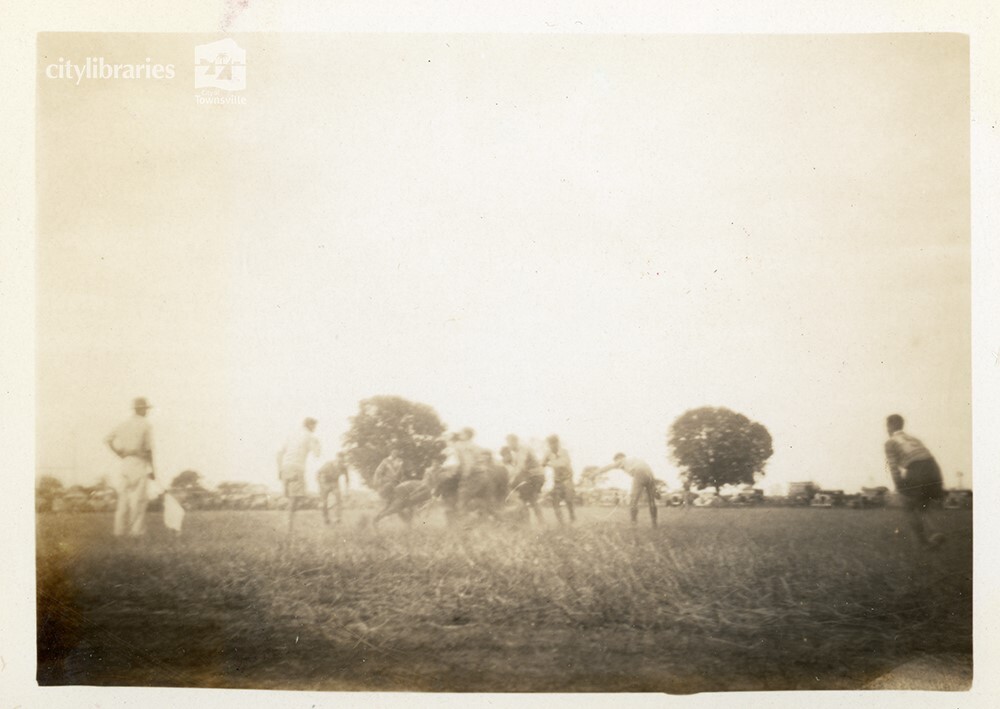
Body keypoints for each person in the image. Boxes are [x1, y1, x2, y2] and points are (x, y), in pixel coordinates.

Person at [884, 414, 946, 548]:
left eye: (887, 426)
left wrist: (899, 484)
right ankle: (936, 532)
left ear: (891, 426)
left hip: (917, 469)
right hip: (933, 467)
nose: (886, 429)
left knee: (908, 506)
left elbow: (893, 466)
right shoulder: (913, 439)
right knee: (923, 506)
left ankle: (924, 543)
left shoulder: (890, 442)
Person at [104, 397, 156, 538]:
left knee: (123, 499)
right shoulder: (146, 425)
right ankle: (136, 533)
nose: (147, 411)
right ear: (141, 409)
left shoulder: (123, 424)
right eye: (145, 408)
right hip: (139, 463)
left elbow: (107, 440)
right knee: (138, 500)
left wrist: (119, 453)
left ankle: (119, 532)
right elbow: (149, 450)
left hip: (125, 463)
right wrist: (153, 470)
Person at [277, 417, 321, 535]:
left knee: (291, 498)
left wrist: (280, 470)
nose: (315, 429)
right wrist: (318, 444)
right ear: (310, 425)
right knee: (294, 500)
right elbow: (317, 454)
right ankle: (288, 529)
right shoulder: (310, 437)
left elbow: (279, 453)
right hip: (297, 468)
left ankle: (287, 525)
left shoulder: (292, 435)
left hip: (285, 467)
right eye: (314, 426)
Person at [596, 453, 659, 527]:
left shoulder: (622, 460)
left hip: (639, 472)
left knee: (633, 501)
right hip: (650, 473)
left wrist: (594, 473)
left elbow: (608, 467)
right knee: (652, 501)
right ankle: (654, 523)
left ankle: (633, 524)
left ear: (619, 458)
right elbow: (648, 469)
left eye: (615, 460)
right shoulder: (635, 459)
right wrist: (655, 488)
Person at [506, 434, 546, 524]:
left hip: (534, 476)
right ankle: (537, 523)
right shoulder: (516, 453)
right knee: (529, 500)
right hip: (530, 477)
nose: (509, 446)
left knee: (529, 500)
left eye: (509, 443)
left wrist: (511, 480)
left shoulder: (522, 450)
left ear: (514, 441)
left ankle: (533, 523)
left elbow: (520, 467)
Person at [540, 434, 576, 524]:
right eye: (550, 444)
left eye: (553, 443)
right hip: (558, 481)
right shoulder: (548, 453)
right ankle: (561, 523)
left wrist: (548, 464)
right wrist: (542, 465)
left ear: (557, 443)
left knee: (569, 500)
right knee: (555, 501)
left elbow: (562, 464)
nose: (552, 446)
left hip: (567, 479)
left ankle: (572, 517)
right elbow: (542, 463)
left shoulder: (564, 452)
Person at [316, 452, 349, 525]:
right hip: (325, 483)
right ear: (336, 459)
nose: (340, 463)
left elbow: (347, 479)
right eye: (339, 461)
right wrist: (320, 485)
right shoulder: (328, 464)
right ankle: (326, 519)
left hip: (335, 483)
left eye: (342, 461)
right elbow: (318, 473)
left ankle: (337, 519)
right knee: (324, 502)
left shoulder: (344, 467)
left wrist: (346, 491)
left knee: (338, 499)